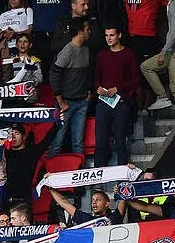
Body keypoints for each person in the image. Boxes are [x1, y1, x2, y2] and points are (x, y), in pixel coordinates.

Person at [93, 25, 140, 167]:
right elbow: (96, 77)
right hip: (103, 102)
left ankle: (122, 172)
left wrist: (118, 88)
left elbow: (136, 80)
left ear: (119, 35)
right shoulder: (101, 55)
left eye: (112, 35)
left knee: (120, 139)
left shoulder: (129, 54)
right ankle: (99, 173)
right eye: (106, 35)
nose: (109, 38)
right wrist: (98, 87)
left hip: (121, 102)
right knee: (100, 140)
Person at [48, 17, 92, 156]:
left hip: (82, 102)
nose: (89, 32)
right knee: (57, 141)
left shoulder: (86, 49)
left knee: (78, 143)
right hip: (66, 103)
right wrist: (60, 101)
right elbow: (53, 76)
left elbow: (87, 74)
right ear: (80, 32)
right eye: (87, 29)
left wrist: (88, 92)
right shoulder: (67, 51)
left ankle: (79, 168)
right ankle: (48, 168)